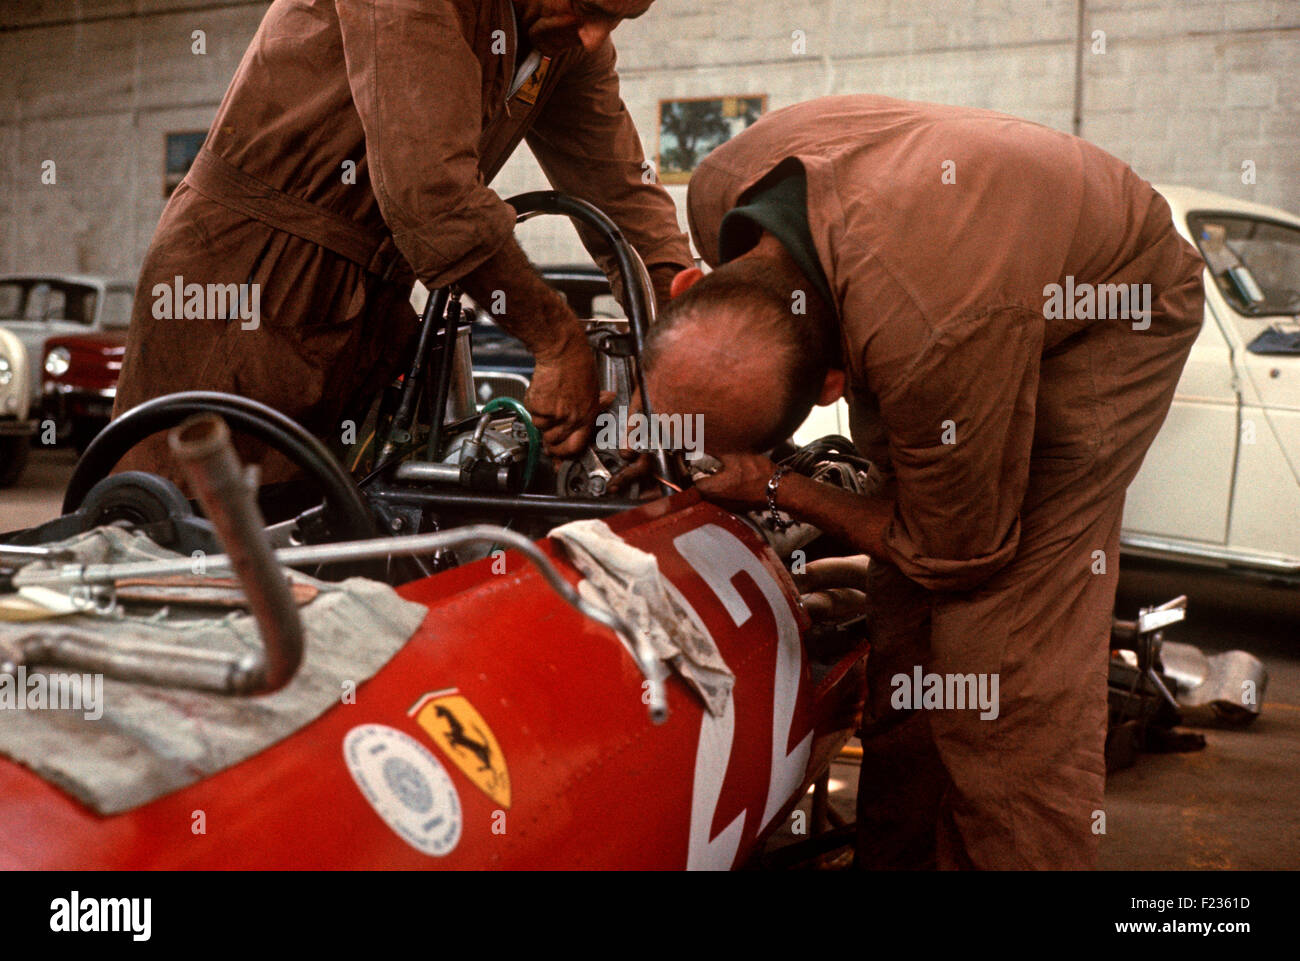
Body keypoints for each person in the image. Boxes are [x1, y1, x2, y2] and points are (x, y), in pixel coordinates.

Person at [642, 94, 1205, 869]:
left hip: (1112, 308)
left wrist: (778, 486)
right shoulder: (719, 188)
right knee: (906, 634)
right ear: (688, 288)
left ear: (835, 382)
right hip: (951, 281)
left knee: (997, 663)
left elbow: (957, 549)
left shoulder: (931, 336)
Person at [114, 0, 691, 486]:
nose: (594, 38)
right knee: (190, 536)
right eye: (588, 7)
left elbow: (624, 198)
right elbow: (431, 195)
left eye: (620, 18)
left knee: (328, 546)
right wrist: (557, 340)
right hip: (240, 283)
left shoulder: (564, 43)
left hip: (366, 305)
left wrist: (683, 350)